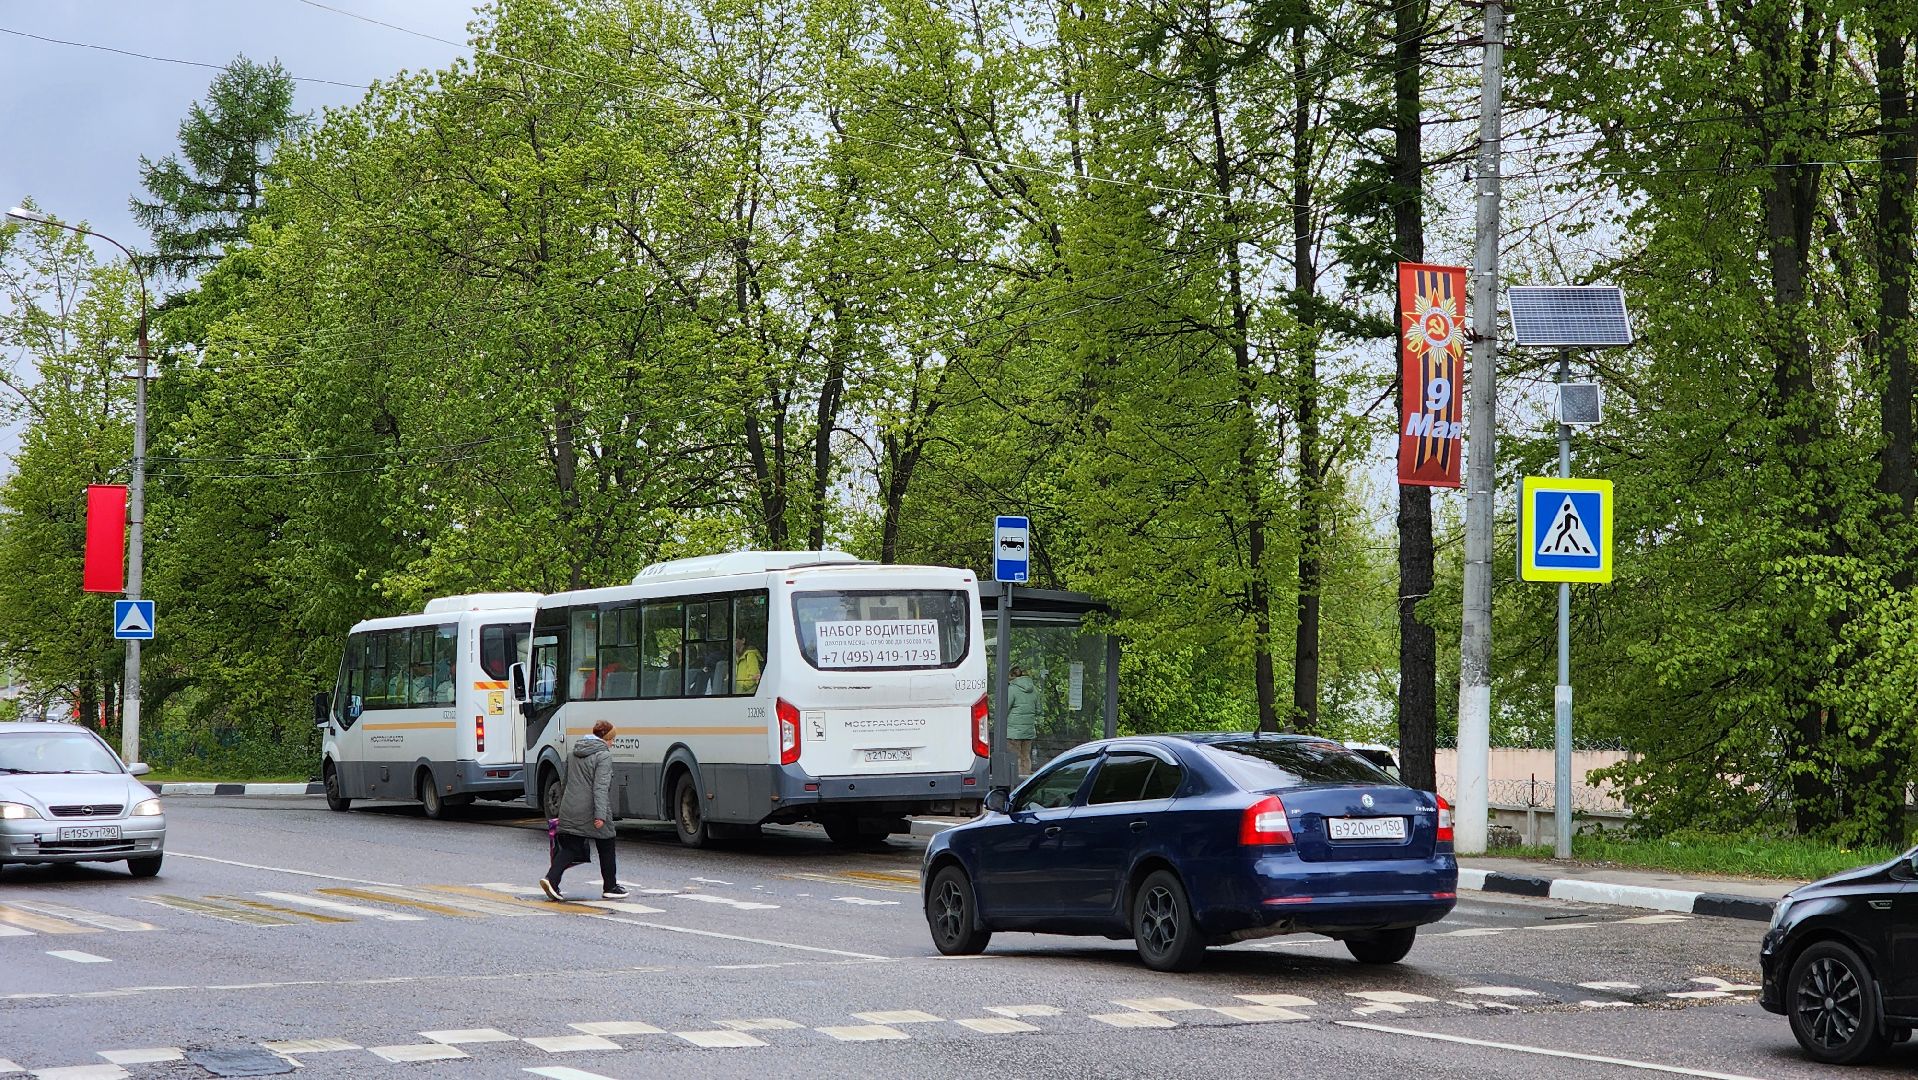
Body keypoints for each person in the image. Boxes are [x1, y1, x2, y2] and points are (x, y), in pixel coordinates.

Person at [540, 719, 629, 901]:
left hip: (570, 807)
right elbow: (600, 787)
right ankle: (610, 886)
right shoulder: (603, 756)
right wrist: (600, 815)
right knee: (607, 842)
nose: (612, 743)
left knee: (571, 847)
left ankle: (551, 879)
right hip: (590, 809)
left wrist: (562, 809)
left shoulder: (573, 753)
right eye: (612, 739)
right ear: (605, 738)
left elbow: (565, 783)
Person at [1006, 665, 1039, 776]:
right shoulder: (1034, 690)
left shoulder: (1012, 689)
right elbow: (1039, 709)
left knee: (1016, 758)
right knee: (1026, 757)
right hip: (1028, 731)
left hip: (1013, 732)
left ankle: (1017, 782)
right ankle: (1026, 780)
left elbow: (1004, 709)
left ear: (1012, 676)